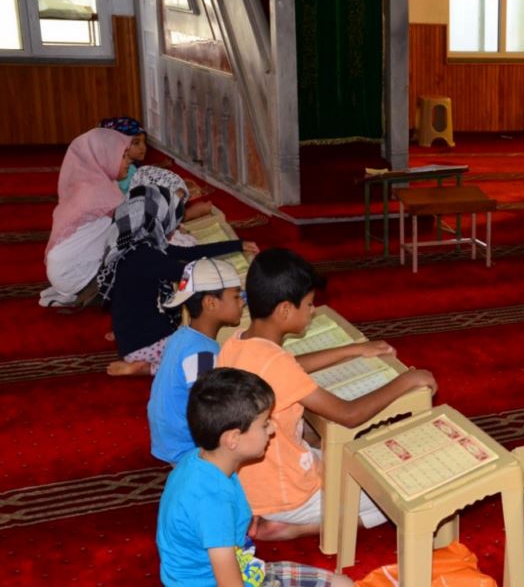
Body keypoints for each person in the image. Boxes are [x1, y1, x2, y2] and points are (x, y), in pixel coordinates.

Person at [217, 248, 437, 541]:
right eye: (308, 304)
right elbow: (348, 415)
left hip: (254, 483)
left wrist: (353, 350)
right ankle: (295, 527)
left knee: (357, 459)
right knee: (403, 492)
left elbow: (290, 367)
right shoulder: (275, 364)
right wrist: (406, 380)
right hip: (287, 494)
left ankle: (280, 515)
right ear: (284, 310)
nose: (312, 311)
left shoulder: (238, 343)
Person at [156, 368, 353, 586]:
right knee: (342, 584)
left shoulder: (199, 460)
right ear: (233, 439)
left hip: (231, 568)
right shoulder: (213, 503)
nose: (272, 429)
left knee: (340, 582)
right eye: (264, 423)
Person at [99, 182, 253, 377]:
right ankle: (144, 368)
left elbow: (188, 253)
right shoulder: (146, 256)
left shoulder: (132, 246)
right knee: (203, 355)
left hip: (130, 339)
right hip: (145, 345)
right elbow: (192, 276)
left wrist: (237, 245)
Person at [148, 258, 247, 464]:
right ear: (210, 303)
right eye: (236, 296)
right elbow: (207, 408)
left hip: (168, 438)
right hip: (186, 446)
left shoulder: (184, 335)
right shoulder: (202, 353)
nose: (242, 302)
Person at [39, 127, 132, 308]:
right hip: (73, 274)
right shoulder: (102, 193)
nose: (129, 161)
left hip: (60, 269)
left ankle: (67, 292)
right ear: (103, 156)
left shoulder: (85, 184)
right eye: (123, 156)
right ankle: (77, 292)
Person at [99, 116, 149, 193]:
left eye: (144, 142)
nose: (143, 147)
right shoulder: (118, 172)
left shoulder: (132, 168)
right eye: (136, 143)